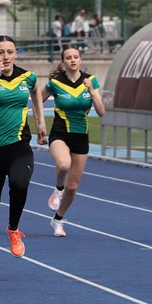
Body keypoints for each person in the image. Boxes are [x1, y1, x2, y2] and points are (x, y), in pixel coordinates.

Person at [0, 35, 47, 268]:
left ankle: (13, 229)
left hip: (20, 146)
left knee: (19, 184)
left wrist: (41, 122)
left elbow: (36, 91)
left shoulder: (27, 77)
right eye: (0, 52)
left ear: (16, 53)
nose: (5, 56)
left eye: (10, 52)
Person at [41, 45, 105, 237]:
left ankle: (58, 220)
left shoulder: (91, 81)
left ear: (80, 59)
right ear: (63, 62)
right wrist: (39, 123)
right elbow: (37, 100)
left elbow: (101, 111)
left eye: (76, 57)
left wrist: (92, 92)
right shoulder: (55, 83)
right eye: (68, 57)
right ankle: (57, 189)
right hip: (59, 133)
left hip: (81, 136)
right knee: (63, 164)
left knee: (74, 186)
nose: (73, 60)